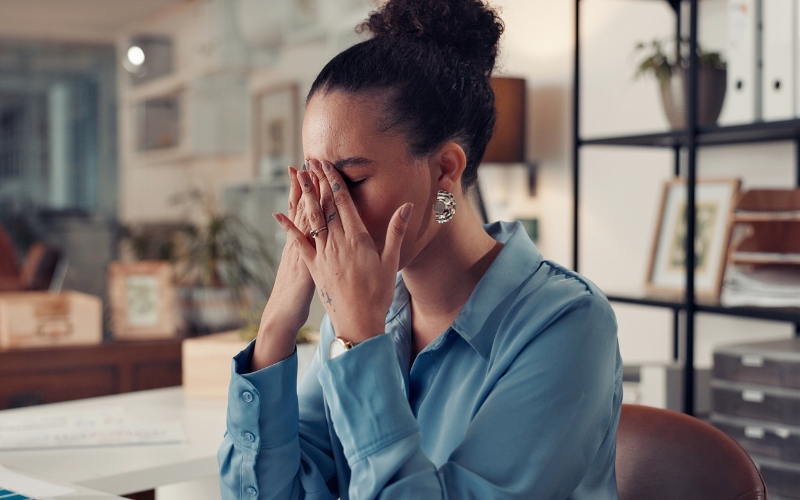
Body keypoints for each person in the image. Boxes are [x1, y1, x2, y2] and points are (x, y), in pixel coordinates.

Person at [218, 0, 622, 498]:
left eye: (350, 178)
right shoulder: (360, 311)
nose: (324, 207)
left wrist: (361, 343)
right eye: (314, 179)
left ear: (445, 171)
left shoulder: (568, 324)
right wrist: (277, 322)